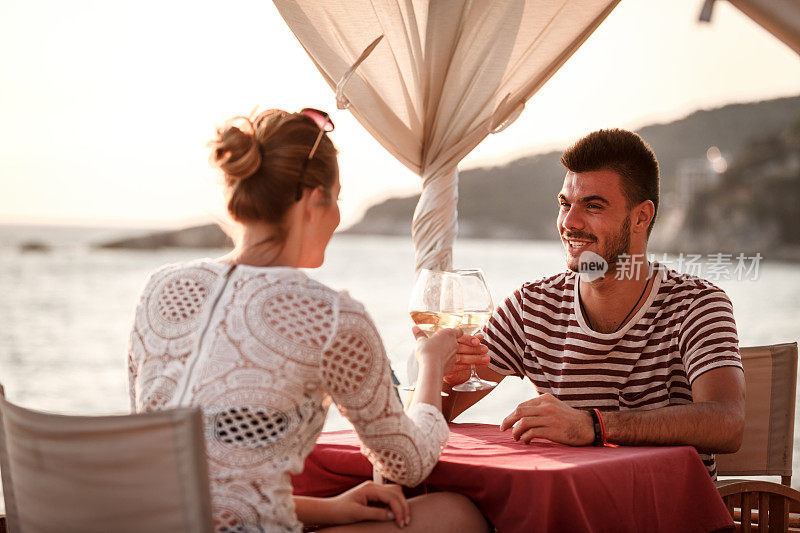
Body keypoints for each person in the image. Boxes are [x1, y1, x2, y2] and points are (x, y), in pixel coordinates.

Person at [127, 108, 488, 532]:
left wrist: (333, 509)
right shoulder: (331, 317)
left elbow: (193, 479)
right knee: (456, 514)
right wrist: (431, 361)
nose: (337, 217)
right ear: (314, 199)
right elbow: (409, 463)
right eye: (337, 198)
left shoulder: (161, 288)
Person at [447, 128, 745, 478]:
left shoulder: (697, 305)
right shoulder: (532, 307)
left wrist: (594, 425)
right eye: (565, 204)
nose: (569, 223)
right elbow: (433, 413)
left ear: (641, 217)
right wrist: (436, 364)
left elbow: (727, 422)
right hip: (563, 505)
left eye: (593, 206)